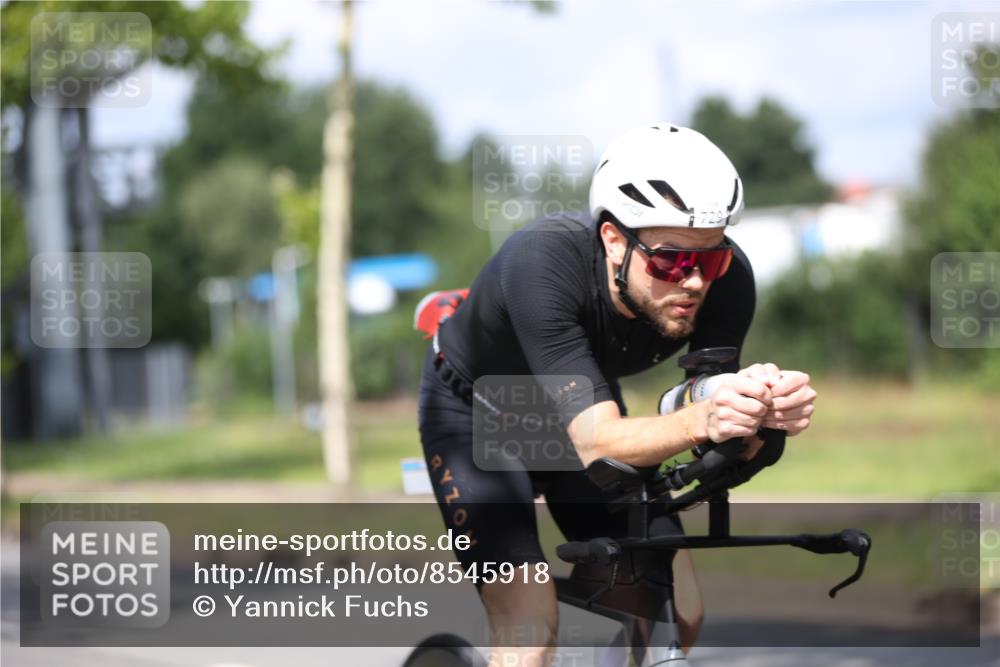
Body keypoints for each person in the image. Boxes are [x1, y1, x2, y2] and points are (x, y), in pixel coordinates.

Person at [417, 123, 818, 666]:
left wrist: (758, 411)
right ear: (612, 240)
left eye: (710, 259)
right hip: (475, 411)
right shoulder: (542, 263)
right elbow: (598, 441)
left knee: (674, 612)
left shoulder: (728, 282)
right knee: (531, 626)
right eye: (672, 260)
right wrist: (706, 420)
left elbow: (693, 398)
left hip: (578, 401)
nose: (695, 282)